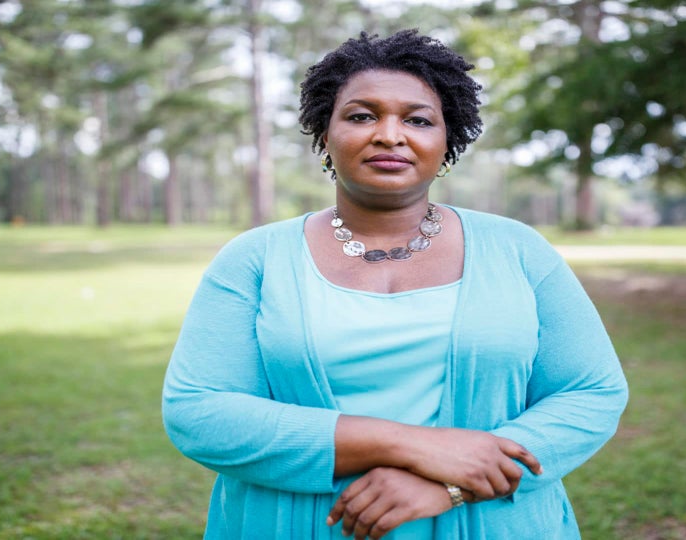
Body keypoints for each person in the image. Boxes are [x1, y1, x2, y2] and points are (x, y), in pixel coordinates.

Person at [162, 29, 628, 540]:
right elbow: (199, 410)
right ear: (325, 132)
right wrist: (411, 445)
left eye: (418, 119)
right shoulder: (254, 258)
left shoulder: (518, 250)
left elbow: (590, 392)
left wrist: (452, 484)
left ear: (447, 140)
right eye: (362, 116)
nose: (389, 135)